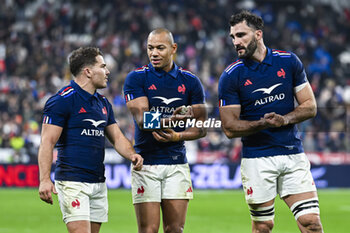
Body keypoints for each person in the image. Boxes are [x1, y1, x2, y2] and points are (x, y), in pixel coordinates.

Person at [218, 11, 323, 233]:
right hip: (258, 159)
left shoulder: (289, 61)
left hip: (292, 154)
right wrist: (263, 123)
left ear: (258, 34)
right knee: (264, 226)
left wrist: (284, 119)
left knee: (311, 223)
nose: (236, 42)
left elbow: (310, 106)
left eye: (241, 35)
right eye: (233, 37)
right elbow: (229, 127)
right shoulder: (231, 76)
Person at [38, 47, 143, 233]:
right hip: (72, 180)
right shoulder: (62, 100)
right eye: (103, 66)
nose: (107, 71)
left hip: (98, 182)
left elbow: (117, 137)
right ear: (88, 71)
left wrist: (133, 155)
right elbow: (47, 142)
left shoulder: (102, 104)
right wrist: (45, 179)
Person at [123, 28, 207, 233]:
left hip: (176, 163)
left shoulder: (190, 81)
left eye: (160, 48)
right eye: (150, 48)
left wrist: (179, 135)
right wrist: (173, 119)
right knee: (148, 230)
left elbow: (201, 127)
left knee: (175, 230)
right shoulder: (136, 78)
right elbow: (143, 120)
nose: (154, 53)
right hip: (146, 164)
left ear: (173, 48)